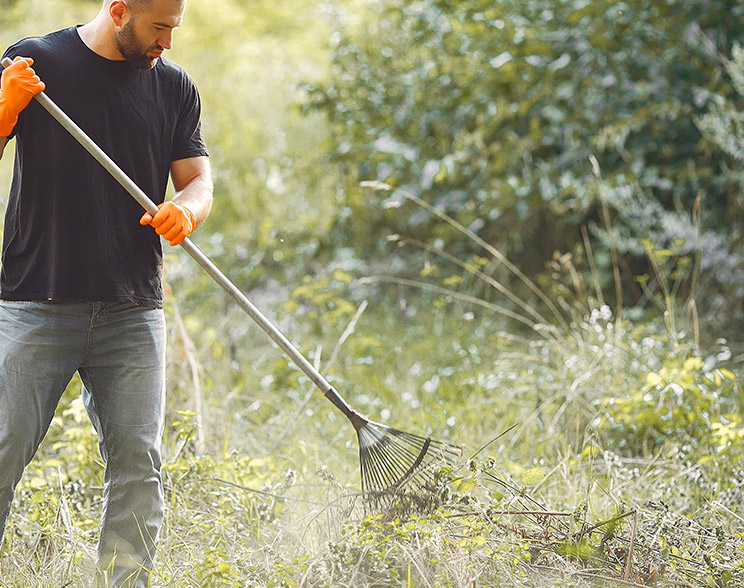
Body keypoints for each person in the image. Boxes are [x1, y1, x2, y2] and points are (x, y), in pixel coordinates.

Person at [0, 0, 213, 585]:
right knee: (1, 453)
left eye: (175, 27)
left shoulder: (173, 86)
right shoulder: (34, 62)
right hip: (35, 302)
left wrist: (186, 212)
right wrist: (3, 110)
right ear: (119, 10)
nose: (167, 41)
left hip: (132, 308)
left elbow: (196, 180)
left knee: (139, 469)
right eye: (158, 27)